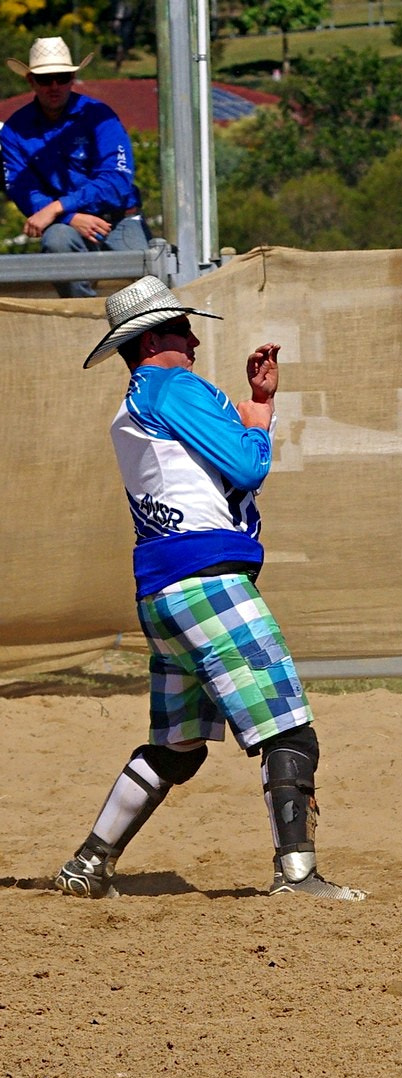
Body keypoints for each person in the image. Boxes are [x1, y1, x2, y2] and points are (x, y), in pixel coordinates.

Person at [55, 276, 364, 900]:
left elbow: (209, 471)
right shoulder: (174, 386)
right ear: (150, 343)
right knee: (288, 730)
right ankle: (296, 875)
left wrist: (254, 406)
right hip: (207, 585)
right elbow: (249, 466)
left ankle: (89, 864)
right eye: (180, 329)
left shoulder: (138, 400)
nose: (194, 339)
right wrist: (259, 419)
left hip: (162, 592)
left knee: (178, 748)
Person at [2, 37, 146, 300]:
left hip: (119, 219)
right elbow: (22, 189)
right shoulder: (13, 130)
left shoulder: (100, 116)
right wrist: (69, 218)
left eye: (62, 77)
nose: (54, 86)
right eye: (45, 79)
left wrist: (58, 208)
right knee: (56, 241)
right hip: (65, 227)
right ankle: (85, 315)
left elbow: (117, 181)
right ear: (30, 81)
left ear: (73, 77)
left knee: (152, 281)